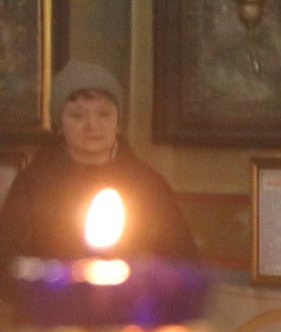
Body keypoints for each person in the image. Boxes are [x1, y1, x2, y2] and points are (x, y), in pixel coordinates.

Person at [0, 60, 199, 264]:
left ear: (117, 120)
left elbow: (183, 263)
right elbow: (8, 262)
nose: (93, 125)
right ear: (60, 124)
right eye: (78, 116)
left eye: (104, 114)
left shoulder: (149, 185)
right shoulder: (33, 184)